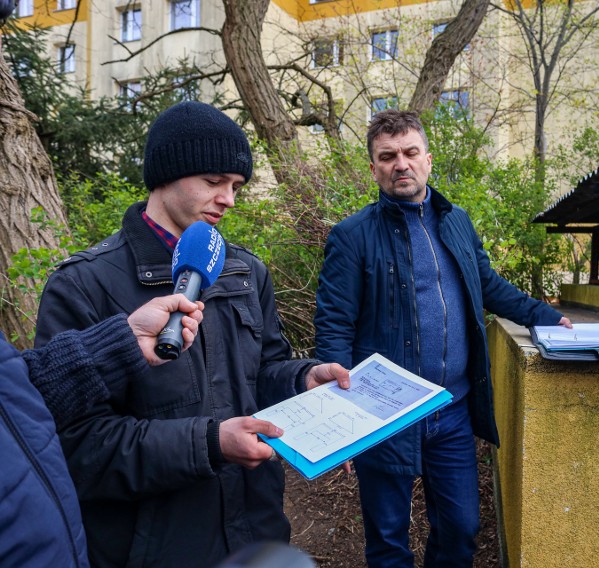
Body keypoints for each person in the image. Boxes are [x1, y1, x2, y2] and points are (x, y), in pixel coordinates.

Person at [34, 101, 350, 568]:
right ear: (166, 174)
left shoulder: (246, 271)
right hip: (150, 546)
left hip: (256, 529)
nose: (229, 198)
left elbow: (263, 371)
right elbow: (77, 446)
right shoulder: (82, 284)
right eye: (213, 181)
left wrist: (302, 379)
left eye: (237, 185)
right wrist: (209, 443)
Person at [314, 109, 572, 567]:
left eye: (410, 153)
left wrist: (543, 316)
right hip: (382, 413)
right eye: (388, 156)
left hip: (450, 408)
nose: (401, 164)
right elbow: (335, 324)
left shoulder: (456, 222)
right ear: (374, 169)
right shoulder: (351, 237)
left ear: (428, 160)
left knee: (460, 529)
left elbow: (486, 284)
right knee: (388, 540)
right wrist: (339, 417)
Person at [2, 294, 203, 568]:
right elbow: (82, 443)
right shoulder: (74, 284)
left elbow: (17, 403)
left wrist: (126, 343)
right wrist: (210, 442)